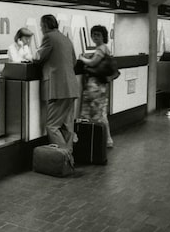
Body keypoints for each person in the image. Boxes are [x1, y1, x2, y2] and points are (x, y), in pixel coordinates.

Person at [35, 14, 80, 150]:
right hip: (71, 87)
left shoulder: (49, 37)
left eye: (41, 26)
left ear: (46, 25)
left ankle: (63, 157)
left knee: (52, 126)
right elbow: (74, 61)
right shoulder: (66, 38)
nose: (41, 29)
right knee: (67, 125)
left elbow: (38, 57)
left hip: (58, 88)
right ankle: (69, 156)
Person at [78, 25, 114, 148]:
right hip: (101, 86)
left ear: (103, 36)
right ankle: (106, 139)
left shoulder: (100, 49)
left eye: (98, 35)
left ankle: (94, 140)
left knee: (94, 113)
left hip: (95, 86)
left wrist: (82, 58)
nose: (95, 37)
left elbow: (93, 62)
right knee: (101, 113)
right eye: (93, 35)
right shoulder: (104, 49)